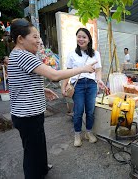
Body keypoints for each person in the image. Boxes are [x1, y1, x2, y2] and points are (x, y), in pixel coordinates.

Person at [8, 19, 96, 179]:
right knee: (31, 150)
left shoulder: (17, 55)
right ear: (21, 39)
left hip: (31, 112)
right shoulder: (23, 56)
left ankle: (41, 167)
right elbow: (54, 75)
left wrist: (42, 89)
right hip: (27, 114)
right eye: (34, 37)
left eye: (38, 37)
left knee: (39, 144)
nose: (39, 41)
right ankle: (34, 173)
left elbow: (19, 83)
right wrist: (83, 68)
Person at [61, 28, 107, 147]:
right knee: (78, 111)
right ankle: (77, 135)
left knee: (90, 111)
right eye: (79, 36)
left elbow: (98, 70)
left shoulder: (95, 54)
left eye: (84, 37)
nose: (81, 39)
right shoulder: (72, 54)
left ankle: (88, 133)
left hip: (92, 85)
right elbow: (69, 72)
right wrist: (63, 86)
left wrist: (99, 80)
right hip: (79, 85)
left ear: (88, 39)